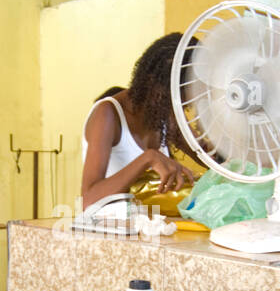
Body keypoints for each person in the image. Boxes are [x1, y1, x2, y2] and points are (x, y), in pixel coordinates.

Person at [81, 33, 199, 209]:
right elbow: (88, 200)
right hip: (109, 232)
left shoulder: (165, 115)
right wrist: (148, 158)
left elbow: (208, 155)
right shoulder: (107, 114)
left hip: (150, 230)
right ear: (154, 83)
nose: (181, 108)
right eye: (178, 97)